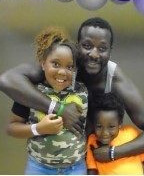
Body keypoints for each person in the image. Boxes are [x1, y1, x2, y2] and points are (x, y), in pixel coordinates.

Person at [0, 17, 144, 163]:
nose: (94, 54)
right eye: (87, 46)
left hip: (90, 162)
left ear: (110, 51)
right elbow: (6, 81)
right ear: (77, 46)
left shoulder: (115, 81)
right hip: (49, 162)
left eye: (102, 48)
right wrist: (59, 109)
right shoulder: (64, 66)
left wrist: (114, 153)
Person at [6, 27, 89, 175]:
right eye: (56, 64)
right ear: (43, 63)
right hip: (39, 168)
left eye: (69, 67)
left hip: (75, 168)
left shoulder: (82, 91)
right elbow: (12, 128)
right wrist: (38, 129)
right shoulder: (31, 93)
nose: (62, 72)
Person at [86, 93, 144, 175]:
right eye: (99, 127)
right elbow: (92, 169)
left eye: (111, 127)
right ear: (93, 124)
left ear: (120, 123)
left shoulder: (131, 133)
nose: (105, 133)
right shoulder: (92, 140)